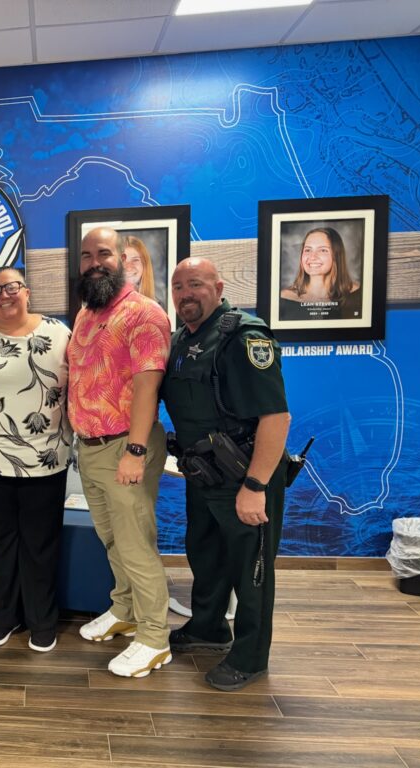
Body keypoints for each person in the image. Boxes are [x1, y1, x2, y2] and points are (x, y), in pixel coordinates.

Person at [161, 256, 290, 691]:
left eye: (194, 284)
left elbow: (276, 418)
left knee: (251, 571)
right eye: (178, 287)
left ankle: (251, 657)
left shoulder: (244, 336)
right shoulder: (181, 339)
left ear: (218, 287)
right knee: (206, 555)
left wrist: (255, 487)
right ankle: (208, 628)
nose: (185, 294)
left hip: (244, 477)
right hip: (203, 475)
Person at [68, 226, 172, 679]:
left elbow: (149, 388)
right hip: (89, 448)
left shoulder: (144, 314)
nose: (94, 262)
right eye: (87, 254)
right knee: (112, 539)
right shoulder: (86, 315)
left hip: (126, 446)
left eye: (103, 253)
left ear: (124, 257)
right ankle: (124, 609)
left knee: (135, 544)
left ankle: (153, 638)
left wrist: (134, 450)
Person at [0, 267, 72, 653]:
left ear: (27, 291)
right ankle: (5, 614)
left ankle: (42, 618)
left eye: (11, 287)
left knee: (41, 542)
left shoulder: (60, 334)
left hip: (46, 456)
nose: (4, 295)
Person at [279, 227, 362, 321]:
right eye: (308, 250)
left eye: (322, 250)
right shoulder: (283, 298)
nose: (312, 257)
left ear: (336, 255)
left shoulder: (358, 295)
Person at [121, 234, 156, 301]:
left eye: (135, 260)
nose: (128, 267)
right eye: (122, 261)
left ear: (144, 264)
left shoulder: (158, 307)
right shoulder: (101, 307)